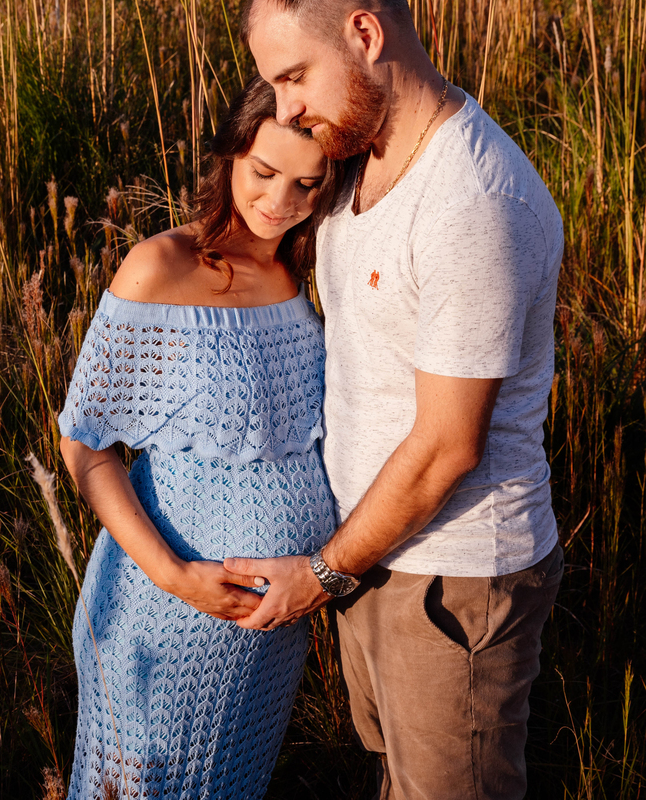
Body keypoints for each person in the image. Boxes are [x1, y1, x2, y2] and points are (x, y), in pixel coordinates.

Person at [223, 0, 566, 797]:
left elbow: (449, 444)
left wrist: (321, 572)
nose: (286, 108)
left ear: (366, 34)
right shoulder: (357, 152)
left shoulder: (473, 202)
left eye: (295, 76)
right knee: (396, 776)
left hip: (451, 578)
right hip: (374, 552)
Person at [57, 76, 344, 800]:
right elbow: (86, 444)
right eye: (265, 173)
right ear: (230, 156)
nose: (282, 201)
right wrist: (173, 576)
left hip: (270, 632)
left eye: (308, 184)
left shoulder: (303, 270)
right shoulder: (163, 268)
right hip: (167, 615)